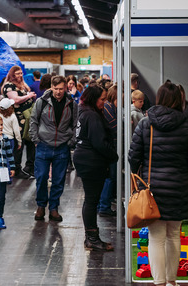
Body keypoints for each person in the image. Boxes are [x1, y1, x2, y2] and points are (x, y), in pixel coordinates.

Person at [128, 81, 188, 286]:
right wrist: (185, 177)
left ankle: (159, 282)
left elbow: (133, 156)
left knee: (156, 237)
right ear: (179, 100)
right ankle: (172, 281)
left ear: (159, 98)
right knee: (174, 236)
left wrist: (140, 175)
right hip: (179, 187)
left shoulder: (146, 123)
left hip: (153, 188)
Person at [74, 84, 118, 251]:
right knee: (92, 200)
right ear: (94, 99)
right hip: (91, 161)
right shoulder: (91, 115)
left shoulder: (85, 112)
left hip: (86, 159)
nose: (104, 102)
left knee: (91, 200)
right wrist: (114, 155)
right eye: (102, 99)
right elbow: (99, 142)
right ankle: (92, 238)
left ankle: (92, 238)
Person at [28, 75, 77, 222]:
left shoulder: (72, 103)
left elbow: (75, 123)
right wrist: (35, 140)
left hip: (62, 146)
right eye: (55, 89)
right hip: (43, 145)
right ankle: (41, 206)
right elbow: (33, 120)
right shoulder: (41, 102)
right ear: (51, 87)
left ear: (66, 88)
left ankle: (54, 208)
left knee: (59, 179)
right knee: (41, 177)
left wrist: (71, 141)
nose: (58, 92)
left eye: (61, 89)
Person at [2, 65, 36, 178]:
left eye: (21, 73)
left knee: (30, 141)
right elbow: (15, 100)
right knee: (19, 144)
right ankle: (16, 168)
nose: (20, 75)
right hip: (17, 119)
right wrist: (29, 95)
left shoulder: (22, 85)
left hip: (27, 118)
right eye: (17, 73)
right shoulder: (9, 86)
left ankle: (30, 167)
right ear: (12, 75)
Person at [98, 84, 118, 217]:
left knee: (109, 177)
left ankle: (103, 204)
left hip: (108, 147)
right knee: (109, 177)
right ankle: (104, 205)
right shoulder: (108, 108)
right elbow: (115, 128)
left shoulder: (108, 108)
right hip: (109, 148)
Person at [0, 98, 22, 165]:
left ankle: (1, 174)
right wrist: (19, 142)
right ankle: (9, 173)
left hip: (0, 138)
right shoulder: (13, 116)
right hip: (9, 139)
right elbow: (16, 131)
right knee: (9, 158)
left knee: (1, 158)